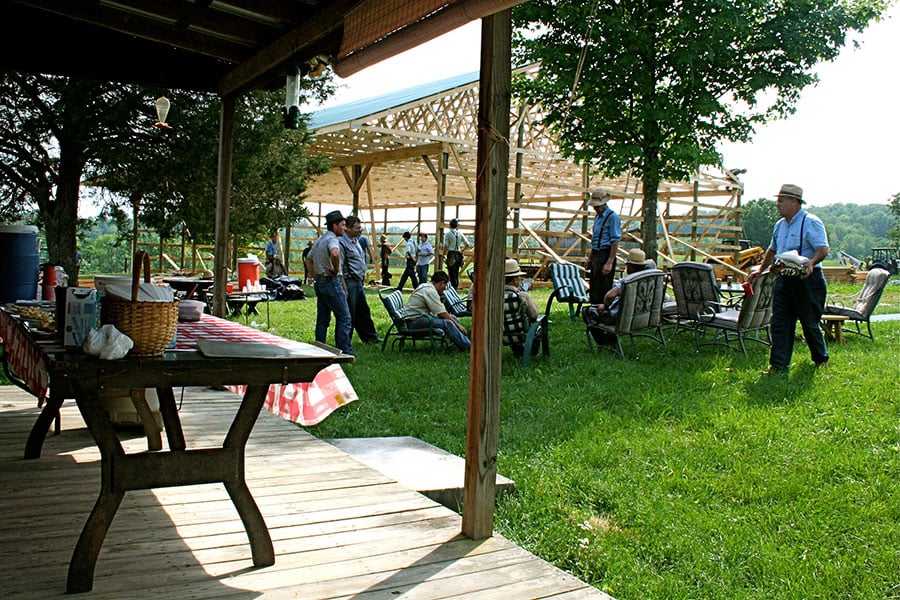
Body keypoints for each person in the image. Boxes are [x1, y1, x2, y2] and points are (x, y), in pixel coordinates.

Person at [749, 184, 830, 372]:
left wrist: (812, 262)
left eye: (781, 201)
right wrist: (761, 270)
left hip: (807, 280)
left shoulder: (811, 222)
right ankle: (778, 365)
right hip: (785, 279)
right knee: (780, 322)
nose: (777, 204)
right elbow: (772, 249)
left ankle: (820, 360)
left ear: (794, 202)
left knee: (809, 322)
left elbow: (823, 248)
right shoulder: (779, 225)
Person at [306, 210, 353, 355]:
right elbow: (335, 253)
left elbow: (308, 259)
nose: (345, 228)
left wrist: (313, 275)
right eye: (343, 225)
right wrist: (336, 268)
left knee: (323, 318)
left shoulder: (320, 239)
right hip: (331, 281)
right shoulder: (333, 240)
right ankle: (344, 351)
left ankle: (318, 348)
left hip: (320, 282)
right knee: (344, 317)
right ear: (335, 226)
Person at [582, 248, 653, 341]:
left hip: (620, 319)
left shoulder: (627, 281)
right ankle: (610, 338)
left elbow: (610, 296)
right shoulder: (650, 281)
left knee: (587, 311)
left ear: (630, 266)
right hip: (641, 318)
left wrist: (605, 306)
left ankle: (604, 342)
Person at [403, 270, 470, 351]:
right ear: (441, 283)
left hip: (420, 318)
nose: (444, 288)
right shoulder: (430, 291)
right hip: (413, 322)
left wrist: (439, 299)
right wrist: (459, 326)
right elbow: (442, 314)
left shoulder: (426, 286)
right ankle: (467, 347)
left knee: (453, 318)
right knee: (448, 323)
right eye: (444, 285)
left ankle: (464, 341)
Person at [340, 215, 381, 344]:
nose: (360, 230)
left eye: (360, 228)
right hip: (349, 281)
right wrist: (344, 286)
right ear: (348, 228)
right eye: (357, 228)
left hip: (358, 281)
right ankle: (346, 341)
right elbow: (339, 267)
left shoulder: (356, 240)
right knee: (350, 313)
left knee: (363, 311)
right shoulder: (341, 243)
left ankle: (370, 337)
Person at [585, 189, 621, 305]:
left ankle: (604, 309)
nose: (595, 208)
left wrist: (609, 262)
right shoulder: (597, 217)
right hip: (596, 253)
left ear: (604, 204)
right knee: (594, 283)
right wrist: (590, 258)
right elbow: (595, 239)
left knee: (604, 284)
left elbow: (615, 241)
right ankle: (594, 308)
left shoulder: (612, 217)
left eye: (597, 206)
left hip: (606, 253)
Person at [504, 258, 540, 357]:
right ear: (514, 280)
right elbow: (534, 315)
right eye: (519, 278)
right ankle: (532, 352)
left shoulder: (493, 298)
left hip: (500, 335)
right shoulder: (522, 296)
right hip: (521, 335)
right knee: (537, 325)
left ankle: (518, 350)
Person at [442, 218, 470, 288]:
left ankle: (452, 289)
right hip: (458, 254)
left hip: (451, 254)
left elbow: (446, 246)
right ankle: (455, 288)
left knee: (451, 273)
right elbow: (467, 244)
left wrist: (443, 254)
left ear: (450, 225)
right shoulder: (460, 233)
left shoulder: (448, 234)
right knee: (456, 273)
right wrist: (462, 250)